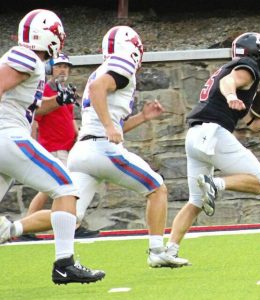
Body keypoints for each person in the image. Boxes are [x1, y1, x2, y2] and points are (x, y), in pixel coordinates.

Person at [66, 25, 189, 268]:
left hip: (81, 151)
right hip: (102, 150)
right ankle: (156, 251)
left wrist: (141, 118)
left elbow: (102, 101)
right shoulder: (122, 64)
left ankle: (11, 227)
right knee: (157, 188)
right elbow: (97, 89)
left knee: (68, 216)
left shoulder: (101, 70)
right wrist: (110, 126)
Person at [0, 9, 105, 284]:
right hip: (7, 135)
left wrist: (58, 100)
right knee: (66, 186)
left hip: (8, 135)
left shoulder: (30, 63)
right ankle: (64, 264)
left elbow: (30, 106)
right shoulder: (25, 56)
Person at [166, 32, 260, 261]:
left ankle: (168, 251)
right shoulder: (247, 66)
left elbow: (253, 125)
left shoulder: (236, 70)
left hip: (195, 136)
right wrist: (231, 95)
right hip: (212, 133)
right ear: (255, 53)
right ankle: (215, 184)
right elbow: (227, 82)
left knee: (196, 201)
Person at [25, 52, 99, 239]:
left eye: (66, 66)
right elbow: (36, 117)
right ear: (50, 69)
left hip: (66, 146)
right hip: (53, 146)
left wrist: (77, 135)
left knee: (50, 188)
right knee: (66, 187)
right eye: (59, 66)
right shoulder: (46, 91)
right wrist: (33, 141)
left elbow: (69, 117)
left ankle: (27, 226)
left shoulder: (64, 90)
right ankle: (71, 226)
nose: (63, 69)